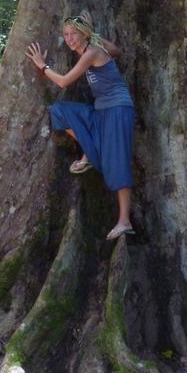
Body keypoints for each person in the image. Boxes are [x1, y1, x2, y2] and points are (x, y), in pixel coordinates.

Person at [26, 12, 135, 240]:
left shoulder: (92, 51)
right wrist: (93, 34)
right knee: (60, 111)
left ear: (84, 34)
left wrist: (42, 65)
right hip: (101, 111)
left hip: (117, 109)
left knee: (117, 161)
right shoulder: (92, 48)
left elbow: (64, 81)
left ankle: (124, 221)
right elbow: (116, 52)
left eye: (74, 33)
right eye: (66, 34)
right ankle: (90, 152)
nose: (69, 39)